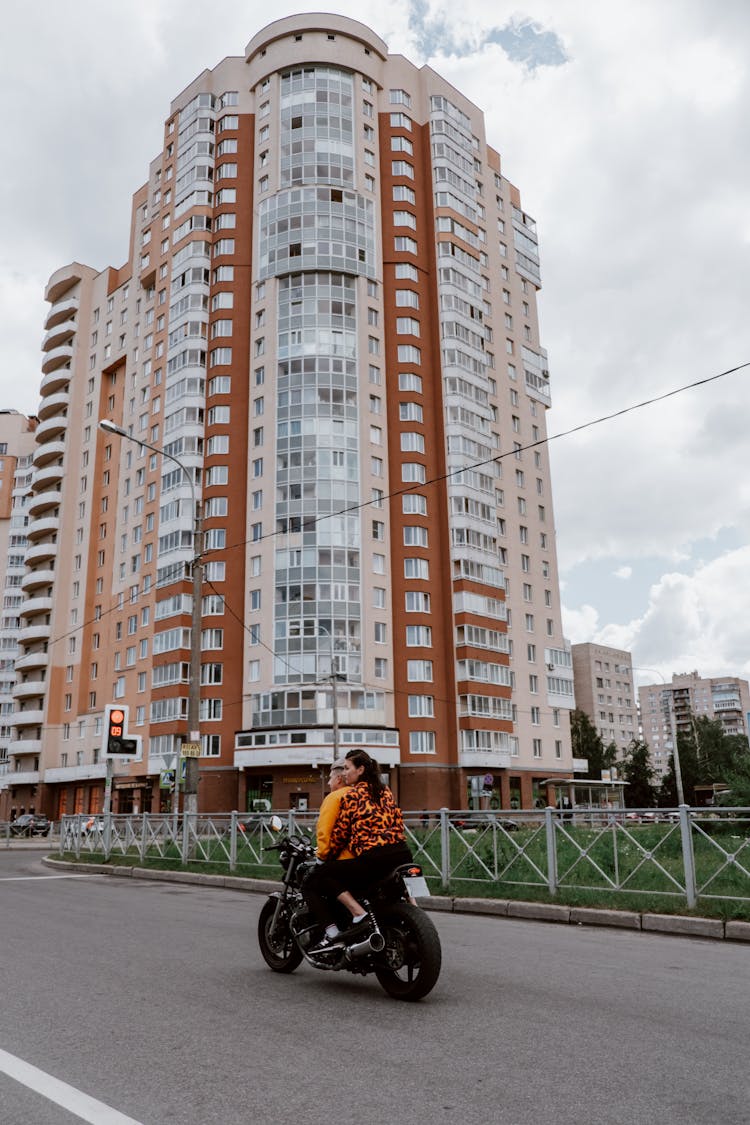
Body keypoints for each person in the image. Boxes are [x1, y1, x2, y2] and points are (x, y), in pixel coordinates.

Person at [306, 748, 412, 953]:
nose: (344, 774)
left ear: (360, 769)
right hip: (402, 852)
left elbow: (339, 835)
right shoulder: (385, 791)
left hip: (374, 859)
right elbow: (398, 822)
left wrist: (324, 857)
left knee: (320, 876)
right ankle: (414, 912)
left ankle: (357, 914)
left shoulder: (351, 796)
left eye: (347, 768)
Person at [315, 759, 353, 861]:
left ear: (339, 779)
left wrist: (321, 856)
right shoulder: (358, 794)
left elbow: (324, 832)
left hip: (341, 859)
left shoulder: (334, 797)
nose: (328, 782)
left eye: (330, 778)